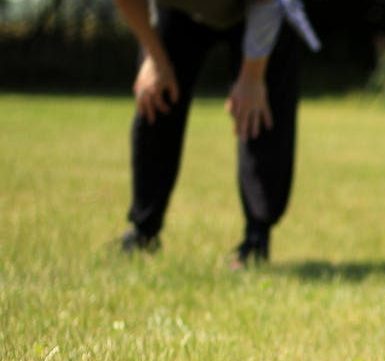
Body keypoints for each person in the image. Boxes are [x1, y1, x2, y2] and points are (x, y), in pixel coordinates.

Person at [114, 0, 319, 268]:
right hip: (178, 11)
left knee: (259, 112)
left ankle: (256, 239)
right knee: (155, 97)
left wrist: (252, 77)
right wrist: (154, 58)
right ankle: (144, 230)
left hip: (262, 10)